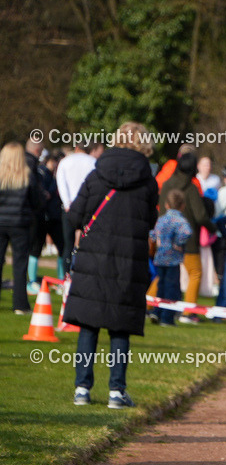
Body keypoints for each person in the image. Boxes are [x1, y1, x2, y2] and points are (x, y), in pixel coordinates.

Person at [65, 122, 159, 408]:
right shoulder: (147, 180)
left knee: (88, 324)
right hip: (128, 260)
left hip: (94, 256)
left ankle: (82, 388)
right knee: (120, 327)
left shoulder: (97, 173)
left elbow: (75, 214)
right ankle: (116, 391)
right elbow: (151, 220)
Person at [159, 152, 213, 322]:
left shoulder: (167, 185)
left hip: (167, 236)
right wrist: (213, 228)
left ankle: (149, 305)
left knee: (163, 273)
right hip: (188, 238)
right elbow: (200, 216)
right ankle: (188, 312)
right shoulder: (191, 188)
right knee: (195, 272)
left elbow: (160, 209)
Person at [0, 141, 45, 314]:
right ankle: (20, 304)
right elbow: (37, 201)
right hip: (20, 223)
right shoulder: (27, 176)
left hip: (1, 222)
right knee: (20, 264)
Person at [57, 142, 103, 275]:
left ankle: (65, 276)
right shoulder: (93, 162)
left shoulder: (65, 162)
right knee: (85, 243)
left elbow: (61, 183)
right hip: (87, 207)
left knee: (68, 244)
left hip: (69, 207)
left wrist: (66, 203)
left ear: (76, 148)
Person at [150, 189, 192, 325]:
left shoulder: (161, 219)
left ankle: (156, 312)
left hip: (160, 257)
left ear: (167, 204)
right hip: (173, 259)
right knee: (171, 288)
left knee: (160, 286)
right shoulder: (180, 221)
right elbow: (187, 232)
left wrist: (158, 241)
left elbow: (152, 234)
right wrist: (178, 243)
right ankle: (167, 317)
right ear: (182, 205)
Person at [29, 150, 65, 291]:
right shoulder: (43, 174)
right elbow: (45, 194)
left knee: (62, 248)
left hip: (53, 216)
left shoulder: (53, 175)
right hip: (43, 216)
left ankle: (61, 280)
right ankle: (32, 281)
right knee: (36, 248)